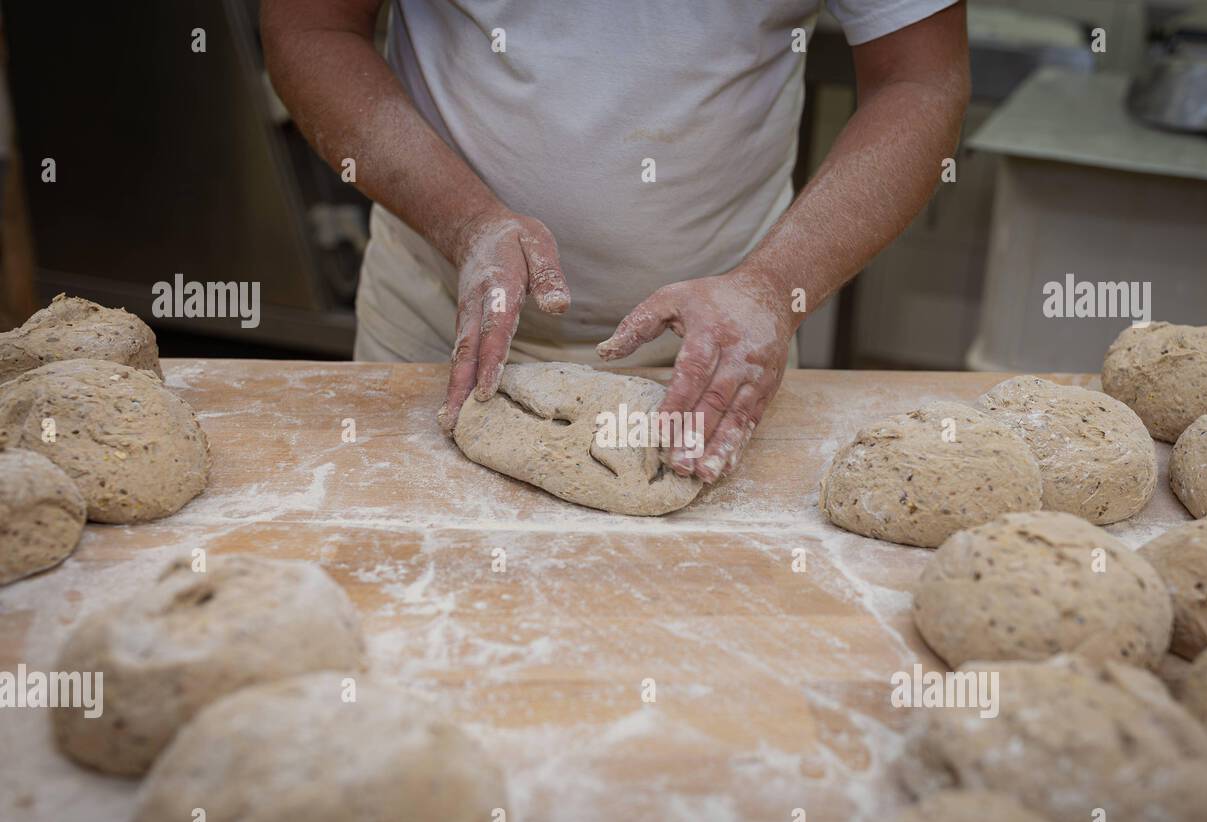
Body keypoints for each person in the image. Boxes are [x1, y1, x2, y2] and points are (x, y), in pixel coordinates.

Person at [262, 0, 969, 483]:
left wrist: (769, 290)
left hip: (723, 360)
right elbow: (312, 26)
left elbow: (921, 77)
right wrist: (465, 221)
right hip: (439, 326)